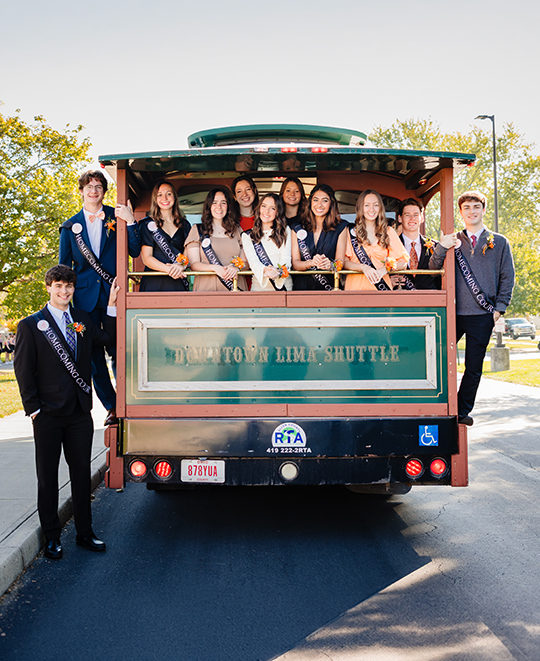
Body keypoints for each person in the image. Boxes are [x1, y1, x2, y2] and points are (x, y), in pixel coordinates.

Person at [14, 265, 120, 560]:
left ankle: (85, 533)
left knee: (81, 476)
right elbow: (24, 372)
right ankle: (52, 538)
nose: (64, 291)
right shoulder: (31, 325)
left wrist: (111, 306)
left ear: (74, 289)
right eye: (58, 286)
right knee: (47, 478)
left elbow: (106, 339)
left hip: (78, 413)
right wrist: (33, 410)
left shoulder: (82, 319)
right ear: (48, 287)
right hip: (47, 415)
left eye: (69, 287)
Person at [59, 170, 140, 426]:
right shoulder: (69, 227)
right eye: (89, 186)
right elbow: (64, 269)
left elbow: (135, 250)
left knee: (120, 351)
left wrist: (132, 222)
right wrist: (65, 305)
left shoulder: (116, 217)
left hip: (115, 295)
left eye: (98, 186)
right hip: (83, 302)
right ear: (81, 191)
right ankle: (112, 407)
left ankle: (126, 401)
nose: (93, 191)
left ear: (104, 191)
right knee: (93, 358)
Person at [430, 190, 514, 426]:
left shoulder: (499, 242)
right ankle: (440, 405)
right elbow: (434, 266)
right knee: (437, 359)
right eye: (466, 208)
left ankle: (461, 411)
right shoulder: (453, 240)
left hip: (483, 315)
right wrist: (441, 247)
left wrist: (499, 308)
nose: (472, 211)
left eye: (476, 207)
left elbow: (507, 277)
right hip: (453, 313)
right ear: (460, 212)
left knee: (473, 367)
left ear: (483, 210)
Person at [121, 181, 192, 292]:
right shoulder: (146, 224)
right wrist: (169, 270)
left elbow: (188, 253)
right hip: (154, 282)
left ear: (174, 197)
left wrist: (181, 266)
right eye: (160, 195)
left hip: (178, 282)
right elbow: (147, 258)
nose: (165, 198)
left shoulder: (185, 225)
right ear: (155, 199)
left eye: (169, 194)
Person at [344, 190, 409, 290]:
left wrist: (386, 269)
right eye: (367, 205)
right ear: (360, 208)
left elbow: (403, 263)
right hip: (355, 288)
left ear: (380, 208)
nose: (371, 209)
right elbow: (344, 262)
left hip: (381, 290)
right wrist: (363, 267)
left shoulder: (388, 232)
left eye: (375, 205)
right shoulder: (350, 233)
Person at [185, 187, 247, 292]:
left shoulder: (237, 230)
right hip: (206, 288)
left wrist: (236, 268)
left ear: (228, 206)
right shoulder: (197, 230)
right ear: (209, 206)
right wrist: (215, 268)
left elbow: (246, 262)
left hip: (235, 287)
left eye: (223, 203)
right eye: (214, 203)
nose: (219, 207)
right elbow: (194, 264)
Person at [291, 184, 348, 291]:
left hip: (329, 287)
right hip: (302, 288)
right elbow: (295, 263)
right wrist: (311, 263)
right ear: (310, 202)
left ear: (331, 203)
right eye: (316, 200)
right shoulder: (297, 228)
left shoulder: (341, 227)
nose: (319, 205)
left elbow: (340, 261)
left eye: (325, 200)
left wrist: (330, 264)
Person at [397, 198, 455, 290]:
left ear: (422, 218)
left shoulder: (436, 246)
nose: (412, 218)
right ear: (400, 218)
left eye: (416, 215)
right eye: (407, 215)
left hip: (430, 301)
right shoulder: (390, 246)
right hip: (398, 301)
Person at [241, 193, 293, 291]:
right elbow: (253, 262)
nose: (266, 211)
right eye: (264, 206)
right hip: (259, 288)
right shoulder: (247, 236)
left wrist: (278, 271)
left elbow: (286, 258)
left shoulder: (285, 231)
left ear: (278, 212)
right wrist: (266, 270)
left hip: (283, 286)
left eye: (272, 208)